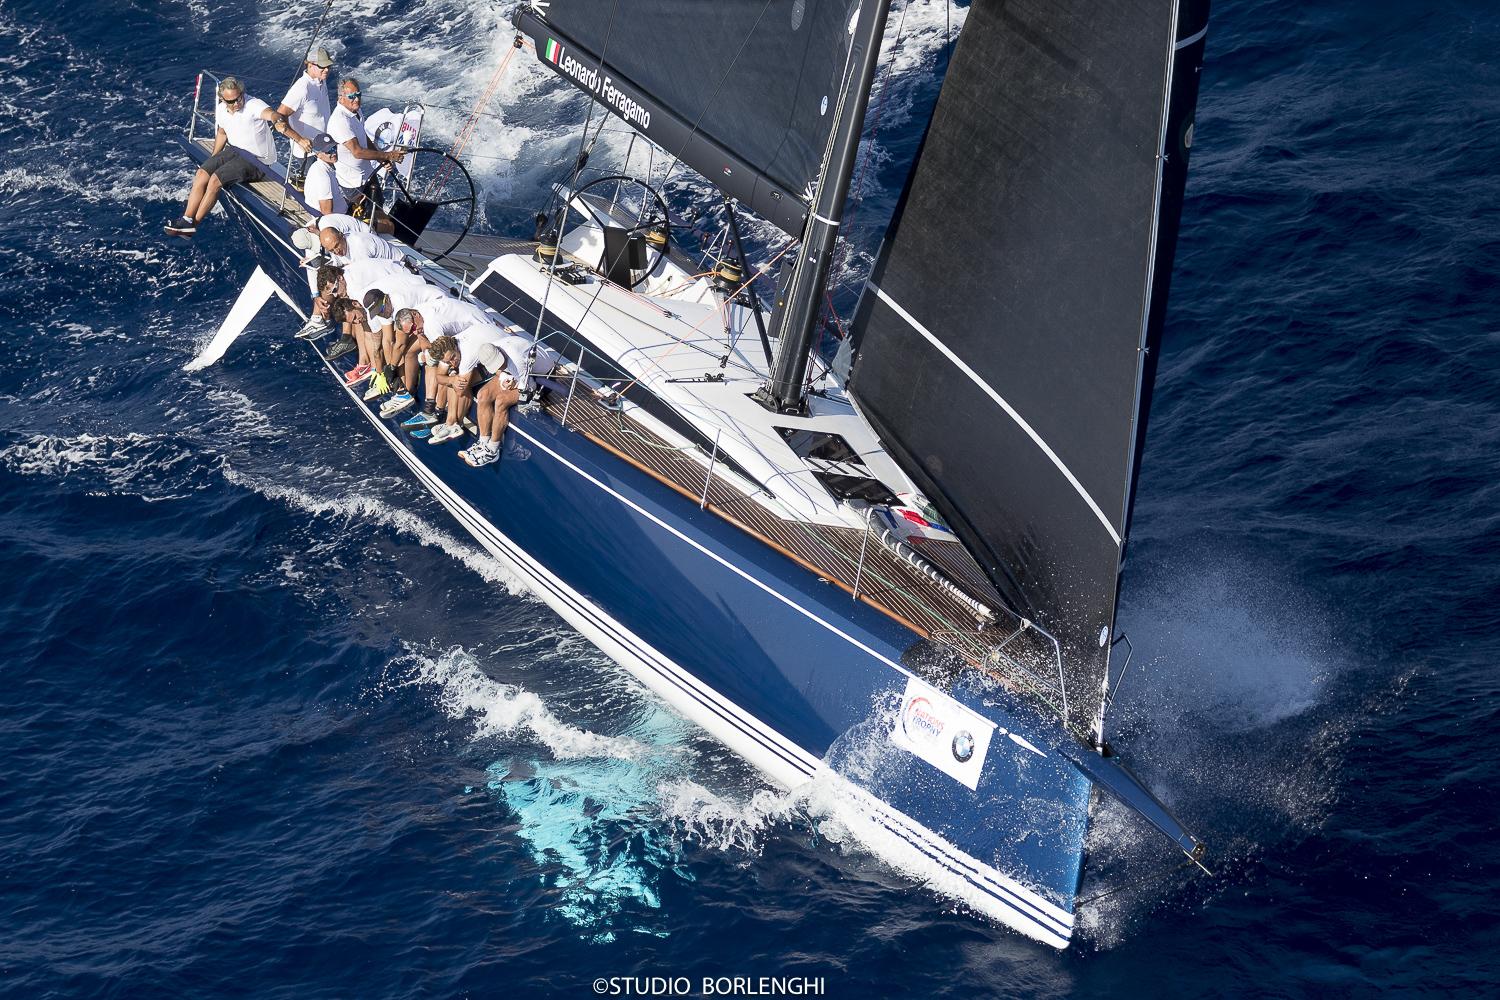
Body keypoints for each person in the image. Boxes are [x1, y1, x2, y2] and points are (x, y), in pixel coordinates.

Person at [166, 77, 305, 236]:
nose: (237, 103)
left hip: (257, 160)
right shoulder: (221, 109)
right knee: (202, 173)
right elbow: (222, 133)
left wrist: (278, 121)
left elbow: (272, 114)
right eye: (231, 101)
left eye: (239, 98)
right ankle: (187, 219)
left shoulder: (253, 105)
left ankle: (192, 226)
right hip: (235, 151)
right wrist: (213, 159)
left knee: (215, 180)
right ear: (222, 99)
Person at [326, 78, 406, 218]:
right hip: (354, 184)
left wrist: (381, 157)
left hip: (368, 174)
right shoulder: (340, 121)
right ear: (341, 98)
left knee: (378, 210)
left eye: (358, 95)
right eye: (352, 96)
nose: (356, 99)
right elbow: (357, 152)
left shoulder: (356, 111)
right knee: (365, 219)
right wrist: (388, 155)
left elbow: (364, 137)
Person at [276, 47, 334, 190]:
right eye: (322, 66)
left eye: (328, 66)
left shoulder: (321, 81)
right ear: (310, 65)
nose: (326, 70)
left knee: (329, 183)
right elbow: (279, 117)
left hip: (324, 146)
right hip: (308, 152)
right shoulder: (302, 88)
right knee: (319, 188)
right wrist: (300, 140)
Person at [301, 133, 346, 216]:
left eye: (334, 148)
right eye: (329, 151)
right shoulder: (323, 177)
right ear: (318, 154)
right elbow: (326, 213)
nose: (334, 153)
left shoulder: (318, 166)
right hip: (339, 217)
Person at [319, 225, 400, 265]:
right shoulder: (335, 246)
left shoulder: (359, 245)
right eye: (331, 250)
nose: (336, 252)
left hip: (398, 264)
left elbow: (368, 273)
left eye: (337, 245)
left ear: (341, 235)